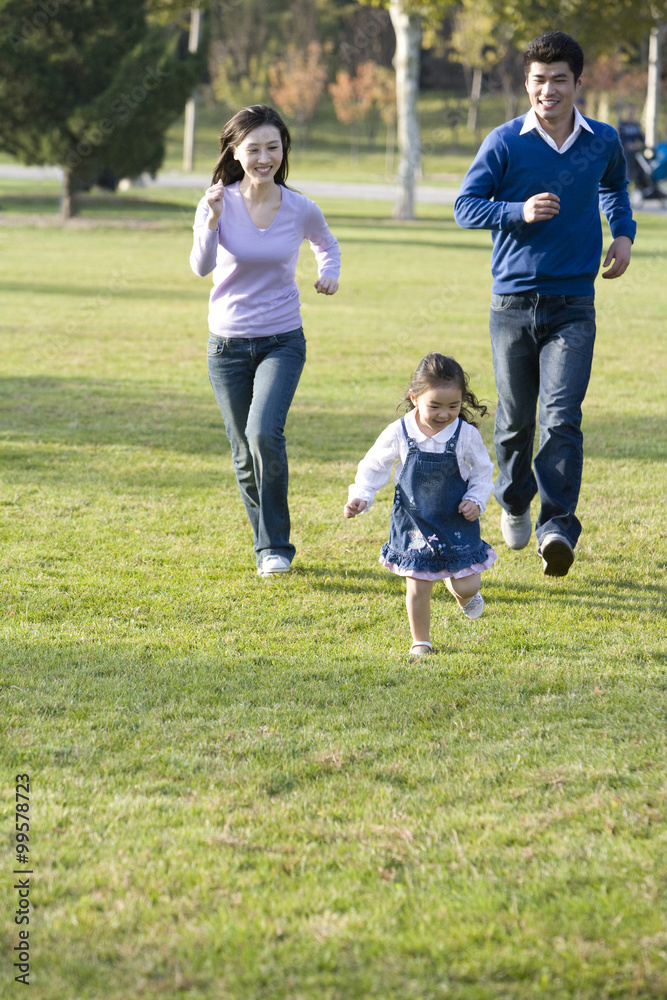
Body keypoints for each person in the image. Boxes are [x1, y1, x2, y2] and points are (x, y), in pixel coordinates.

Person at [454, 31, 636, 577]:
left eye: (560, 79)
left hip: (574, 303)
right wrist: (517, 211)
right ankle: (513, 500)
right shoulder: (506, 141)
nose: (548, 90)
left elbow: (615, 187)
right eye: (539, 80)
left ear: (578, 82)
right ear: (527, 84)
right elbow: (465, 207)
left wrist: (622, 233)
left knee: (562, 417)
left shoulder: (602, 139)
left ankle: (557, 527)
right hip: (511, 304)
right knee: (513, 421)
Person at [190, 105, 340, 577]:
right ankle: (266, 546)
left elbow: (326, 243)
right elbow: (200, 266)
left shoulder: (299, 207)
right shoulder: (216, 201)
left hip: (281, 340)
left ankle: (276, 546)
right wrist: (212, 220)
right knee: (242, 451)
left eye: (272, 147)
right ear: (235, 151)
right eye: (253, 148)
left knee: (262, 435)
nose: (264, 157)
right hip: (227, 346)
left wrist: (328, 273)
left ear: (283, 151)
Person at [344, 353, 496, 657]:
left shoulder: (465, 434)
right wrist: (361, 495)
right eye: (435, 406)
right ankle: (421, 642)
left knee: (468, 585)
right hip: (415, 521)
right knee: (418, 584)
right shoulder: (398, 432)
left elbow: (482, 470)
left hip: (456, 520)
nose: (444, 414)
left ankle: (458, 590)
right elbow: (374, 465)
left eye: (453, 406)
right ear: (415, 398)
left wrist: (476, 500)